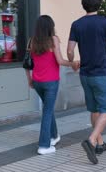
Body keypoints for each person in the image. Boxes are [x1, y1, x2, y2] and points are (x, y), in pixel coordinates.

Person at [67, 0, 106, 165]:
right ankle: (92, 140)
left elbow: (70, 51)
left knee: (94, 109)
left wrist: (72, 62)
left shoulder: (76, 24)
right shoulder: (105, 22)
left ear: (83, 5)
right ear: (99, 4)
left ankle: (100, 143)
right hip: (101, 73)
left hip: (85, 75)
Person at [25, 15, 79, 155]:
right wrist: (73, 63)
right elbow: (60, 61)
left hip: (37, 82)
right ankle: (44, 145)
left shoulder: (32, 41)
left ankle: (54, 136)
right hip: (50, 82)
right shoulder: (53, 39)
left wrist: (29, 79)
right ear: (50, 26)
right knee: (47, 111)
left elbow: (26, 64)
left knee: (48, 109)